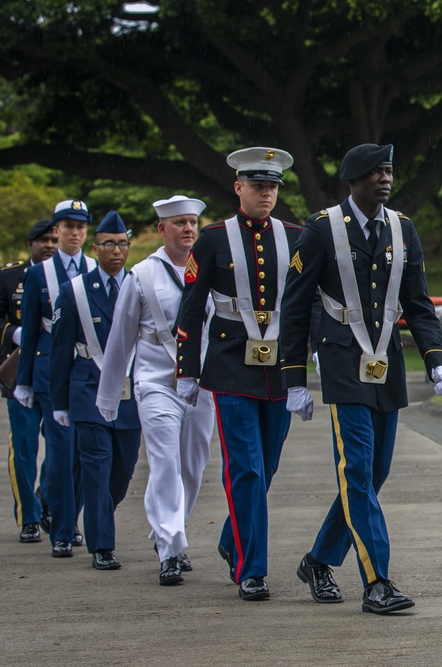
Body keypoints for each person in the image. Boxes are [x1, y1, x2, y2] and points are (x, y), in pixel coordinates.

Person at [279, 143, 442, 614]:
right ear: (352, 179)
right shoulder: (321, 230)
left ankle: (318, 560)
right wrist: (294, 378)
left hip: (387, 361)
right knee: (356, 469)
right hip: (341, 361)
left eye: (389, 170)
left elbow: (417, 301)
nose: (384, 178)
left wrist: (436, 358)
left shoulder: (403, 229)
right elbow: (294, 308)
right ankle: (377, 580)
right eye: (375, 171)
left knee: (374, 474)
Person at [175, 147, 302, 601]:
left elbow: (305, 304)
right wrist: (186, 371)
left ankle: (233, 540)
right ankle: (253, 570)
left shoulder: (295, 235)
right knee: (244, 468)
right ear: (239, 188)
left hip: (280, 370)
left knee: (265, 468)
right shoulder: (211, 239)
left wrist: (305, 371)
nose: (266, 193)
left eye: (272, 186)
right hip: (229, 368)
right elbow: (190, 308)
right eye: (258, 185)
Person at [97, 196, 215, 586]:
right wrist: (110, 396)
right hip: (156, 384)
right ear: (162, 229)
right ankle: (170, 549)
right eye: (179, 222)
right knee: (164, 464)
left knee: (193, 466)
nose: (189, 229)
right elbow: (120, 338)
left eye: (193, 222)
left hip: (200, 384)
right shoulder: (142, 275)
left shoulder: (212, 269)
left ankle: (171, 529)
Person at [50, 211, 141, 571]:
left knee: (123, 470)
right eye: (109, 244)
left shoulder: (139, 284)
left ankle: (100, 512)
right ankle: (102, 545)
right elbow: (59, 351)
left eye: (122, 244)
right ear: (95, 247)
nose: (116, 251)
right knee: (96, 467)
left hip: (129, 393)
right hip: (87, 386)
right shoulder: (73, 291)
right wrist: (59, 402)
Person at [15, 199, 96, 557]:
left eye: (80, 227)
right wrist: (23, 381)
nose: (74, 232)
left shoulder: (96, 268)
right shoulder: (39, 274)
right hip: (52, 372)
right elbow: (30, 330)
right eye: (67, 226)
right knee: (61, 455)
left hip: (91, 372)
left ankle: (71, 516)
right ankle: (62, 531)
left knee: (84, 454)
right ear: (56, 231)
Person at [0, 218, 58, 543]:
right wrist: (16, 333)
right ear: (31, 245)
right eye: (44, 241)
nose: (50, 246)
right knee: (23, 450)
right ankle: (28, 517)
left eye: (54, 240)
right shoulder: (10, 276)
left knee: (60, 449)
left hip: (58, 374)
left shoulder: (72, 274)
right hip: (21, 373)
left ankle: (49, 503)